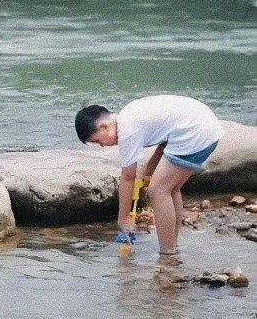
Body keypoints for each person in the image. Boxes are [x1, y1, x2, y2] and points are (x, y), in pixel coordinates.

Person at [75, 95, 224, 256]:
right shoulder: (129, 114)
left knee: (158, 190)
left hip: (195, 133)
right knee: (172, 189)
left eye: (98, 141)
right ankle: (172, 244)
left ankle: (167, 254)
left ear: (104, 126)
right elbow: (166, 136)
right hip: (206, 128)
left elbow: (127, 176)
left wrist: (123, 219)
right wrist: (149, 169)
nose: (102, 146)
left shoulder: (127, 130)